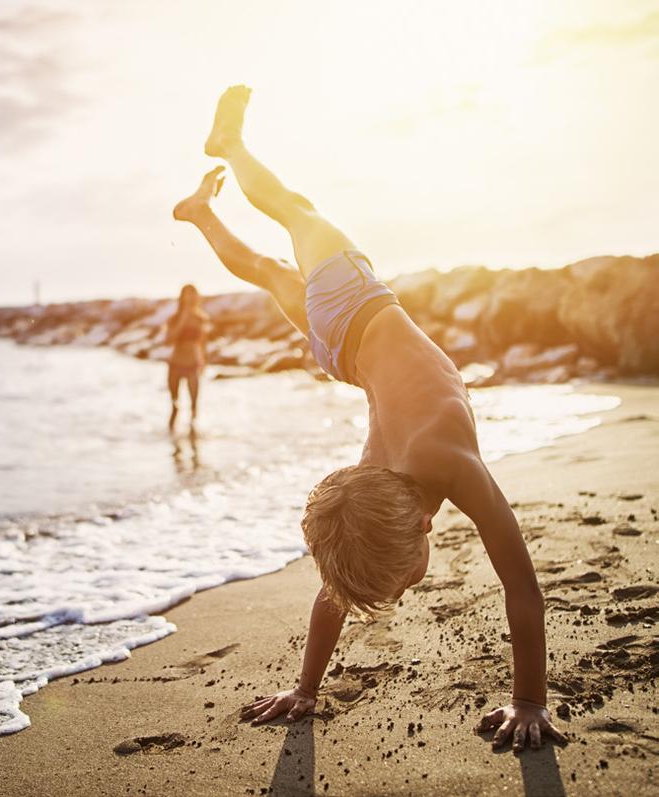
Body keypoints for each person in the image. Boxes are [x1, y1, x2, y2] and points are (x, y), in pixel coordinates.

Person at [172, 85, 566, 753]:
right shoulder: (376, 476)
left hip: (347, 306)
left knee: (293, 221)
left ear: (415, 522)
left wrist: (530, 700)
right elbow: (339, 588)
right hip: (341, 353)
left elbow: (523, 589)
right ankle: (207, 198)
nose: (414, 583)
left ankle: (224, 164)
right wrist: (304, 689)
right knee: (276, 251)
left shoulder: (443, 463)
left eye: (408, 574)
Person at [164, 284, 210, 429]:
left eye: (192, 294)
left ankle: (194, 443)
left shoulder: (201, 319)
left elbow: (202, 344)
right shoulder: (174, 318)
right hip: (175, 364)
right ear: (182, 298)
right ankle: (173, 445)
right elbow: (168, 340)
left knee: (194, 407)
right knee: (174, 405)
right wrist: (183, 318)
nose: (190, 297)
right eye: (187, 294)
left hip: (192, 365)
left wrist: (203, 363)